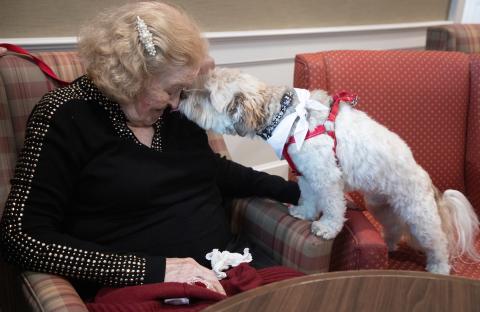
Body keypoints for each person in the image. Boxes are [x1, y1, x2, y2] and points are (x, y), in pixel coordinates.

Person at [0, 1, 300, 300]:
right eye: (170, 90)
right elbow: (21, 238)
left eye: (182, 89)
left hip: (231, 270)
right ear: (130, 78)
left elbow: (211, 169)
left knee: (317, 295)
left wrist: (298, 192)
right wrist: (152, 270)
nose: (175, 102)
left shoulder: (176, 109)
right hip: (144, 293)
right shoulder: (64, 116)